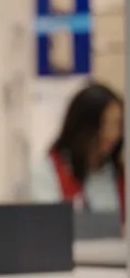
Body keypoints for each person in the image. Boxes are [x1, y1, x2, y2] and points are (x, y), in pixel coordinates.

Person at [30, 81, 124, 216]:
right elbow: (47, 225)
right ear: (83, 127)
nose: (112, 134)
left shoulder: (117, 176)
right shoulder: (47, 172)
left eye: (117, 124)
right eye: (104, 124)